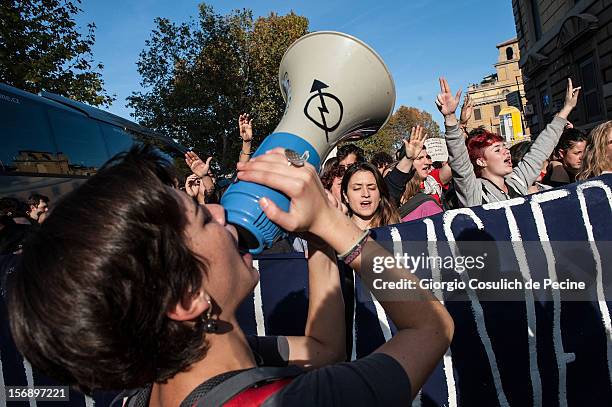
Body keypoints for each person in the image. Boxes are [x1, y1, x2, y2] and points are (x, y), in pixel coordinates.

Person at [8, 145, 453, 406]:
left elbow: (323, 349)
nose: (221, 211)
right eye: (203, 219)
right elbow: (431, 326)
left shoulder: (150, 385)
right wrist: (336, 229)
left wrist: (316, 238)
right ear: (187, 297)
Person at [436, 77, 580, 207]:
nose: (506, 152)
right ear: (481, 161)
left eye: (504, 147)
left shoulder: (517, 181)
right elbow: (460, 163)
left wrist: (566, 109)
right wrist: (450, 118)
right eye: (497, 150)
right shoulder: (475, 193)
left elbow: (539, 151)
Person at [341, 162, 399, 230]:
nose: (366, 194)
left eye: (372, 188)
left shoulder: (397, 229)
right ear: (345, 195)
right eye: (357, 188)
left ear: (380, 193)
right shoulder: (337, 234)